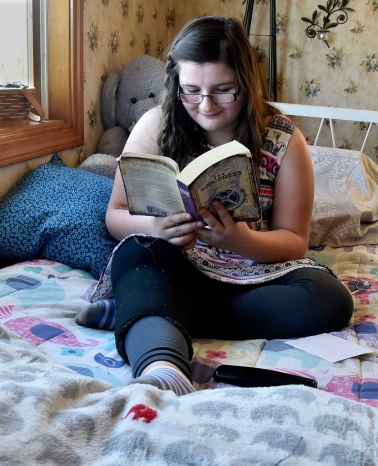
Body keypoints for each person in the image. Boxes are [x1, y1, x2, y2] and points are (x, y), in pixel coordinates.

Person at [100, 16, 353, 395]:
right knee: (136, 255)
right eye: (191, 90)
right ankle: (164, 364)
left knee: (331, 300)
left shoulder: (285, 139)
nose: (205, 105)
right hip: (175, 263)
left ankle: (150, 313)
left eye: (223, 90)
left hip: (253, 273)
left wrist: (237, 240)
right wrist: (156, 229)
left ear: (246, 83)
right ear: (176, 83)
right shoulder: (155, 125)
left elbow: (295, 241)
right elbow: (115, 214)